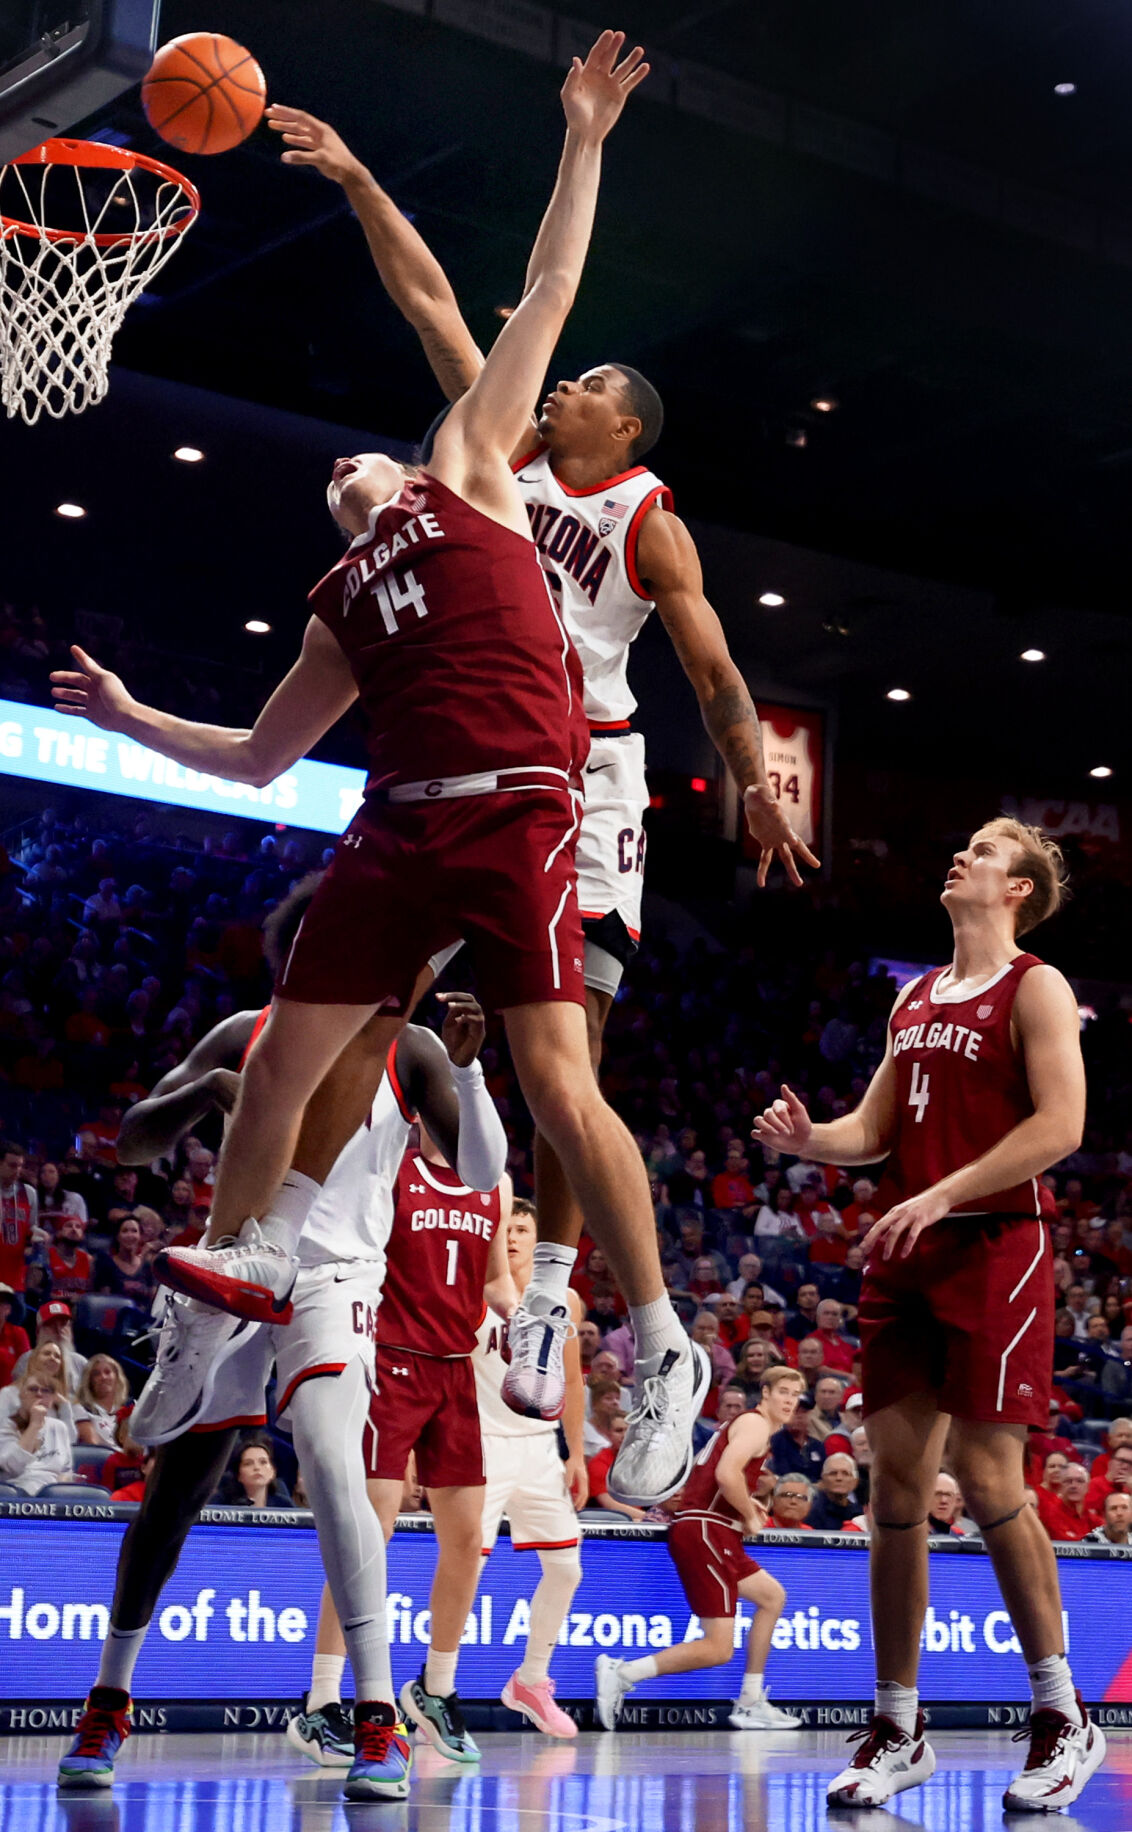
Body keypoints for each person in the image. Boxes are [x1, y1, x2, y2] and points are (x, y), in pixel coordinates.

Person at [53, 33, 706, 1514]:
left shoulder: (478, 462)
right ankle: (215, 1312)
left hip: (527, 807)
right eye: (331, 480)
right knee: (281, 1053)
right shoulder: (341, 608)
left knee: (555, 1073)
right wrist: (127, 716)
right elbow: (260, 755)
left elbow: (505, 292)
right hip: (395, 828)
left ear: (402, 470)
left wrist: (560, 140)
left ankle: (661, 1343)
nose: (345, 471)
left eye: (361, 459)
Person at [263, 83, 817, 1427]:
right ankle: (301, 1248)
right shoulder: (492, 455)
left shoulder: (643, 516)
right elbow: (443, 305)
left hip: (591, 775)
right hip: (469, 755)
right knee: (381, 1009)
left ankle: (559, 1286)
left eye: (584, 387)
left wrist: (751, 779)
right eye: (561, 378)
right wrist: (354, 178)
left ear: (623, 430)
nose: (558, 385)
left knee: (575, 1052)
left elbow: (714, 671)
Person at [57, 886, 501, 1803]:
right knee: (170, 1503)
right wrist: (207, 1095)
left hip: (334, 1281)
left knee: (337, 1470)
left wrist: (469, 1073)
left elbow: (478, 1174)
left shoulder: (407, 1047)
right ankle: (109, 1697)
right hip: (230, 1279)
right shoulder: (246, 1034)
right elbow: (131, 1145)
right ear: (289, 961)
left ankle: (376, 1718)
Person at [755, 817, 1105, 1812]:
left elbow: (1060, 1123)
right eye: (963, 843)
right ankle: (898, 1722)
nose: (962, 853)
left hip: (993, 1241)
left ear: (1019, 890)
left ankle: (1059, 1711)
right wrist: (806, 1137)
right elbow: (873, 1129)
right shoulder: (912, 996)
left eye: (987, 849)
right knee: (895, 1486)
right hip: (906, 1246)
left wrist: (945, 1191)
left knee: (987, 1473)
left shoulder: (1033, 985)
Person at [294, 1113, 510, 1770]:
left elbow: (496, 1280)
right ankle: (322, 1703)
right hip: (388, 1357)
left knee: (470, 1541)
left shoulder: (492, 1182)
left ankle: (435, 1689)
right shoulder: (391, 1167)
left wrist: (524, 1316)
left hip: (455, 1367)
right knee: (368, 1531)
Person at [594, 1365, 805, 1732]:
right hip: (707, 1531)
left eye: (795, 1394)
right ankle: (623, 1672)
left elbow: (720, 1479)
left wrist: (744, 1506)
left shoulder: (747, 1427)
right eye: (783, 1391)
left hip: (714, 1529)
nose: (789, 1400)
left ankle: (751, 1700)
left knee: (772, 1597)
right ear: (765, 1392)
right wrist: (750, 1516)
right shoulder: (755, 1424)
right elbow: (726, 1474)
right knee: (718, 1647)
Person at [470, 1199, 587, 1736]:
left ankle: (531, 1679)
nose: (513, 1236)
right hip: (483, 1443)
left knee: (566, 1569)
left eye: (523, 1228)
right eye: (506, 1228)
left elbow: (574, 1381)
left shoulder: (564, 1300)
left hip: (540, 1446)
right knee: (464, 1570)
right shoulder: (470, 1290)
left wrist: (577, 1453)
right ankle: (434, 1686)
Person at [0, 1366, 74, 1493]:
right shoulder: (6, 1426)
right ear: (22, 1395)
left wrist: (60, 1487)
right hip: (16, 1492)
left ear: (51, 1400)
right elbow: (12, 1467)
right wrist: (34, 1425)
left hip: (52, 1495)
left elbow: (66, 1470)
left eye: (46, 1390)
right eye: (33, 1389)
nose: (39, 1394)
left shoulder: (59, 1427)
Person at [214, 1434, 294, 1509]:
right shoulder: (221, 1503)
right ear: (238, 1475)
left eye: (263, 1462)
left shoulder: (284, 1505)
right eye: (248, 1463)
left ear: (273, 1471)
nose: (257, 1467)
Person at [0, 1140, 38, 1293]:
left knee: (16, 1314)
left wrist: (37, 1235)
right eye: (12, 1166)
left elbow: (31, 1227)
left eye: (20, 1166)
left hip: (16, 1271)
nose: (18, 1171)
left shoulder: (29, 1192)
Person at [75, 1355, 130, 1448]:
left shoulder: (130, 1409)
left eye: (107, 1372)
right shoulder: (80, 1410)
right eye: (96, 1374)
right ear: (89, 1381)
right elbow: (93, 1445)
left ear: (117, 1377)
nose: (103, 1377)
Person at [806, 1454, 860, 1530]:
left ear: (855, 1482)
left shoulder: (859, 1514)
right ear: (823, 1480)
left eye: (845, 1473)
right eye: (833, 1473)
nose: (839, 1478)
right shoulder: (811, 1512)